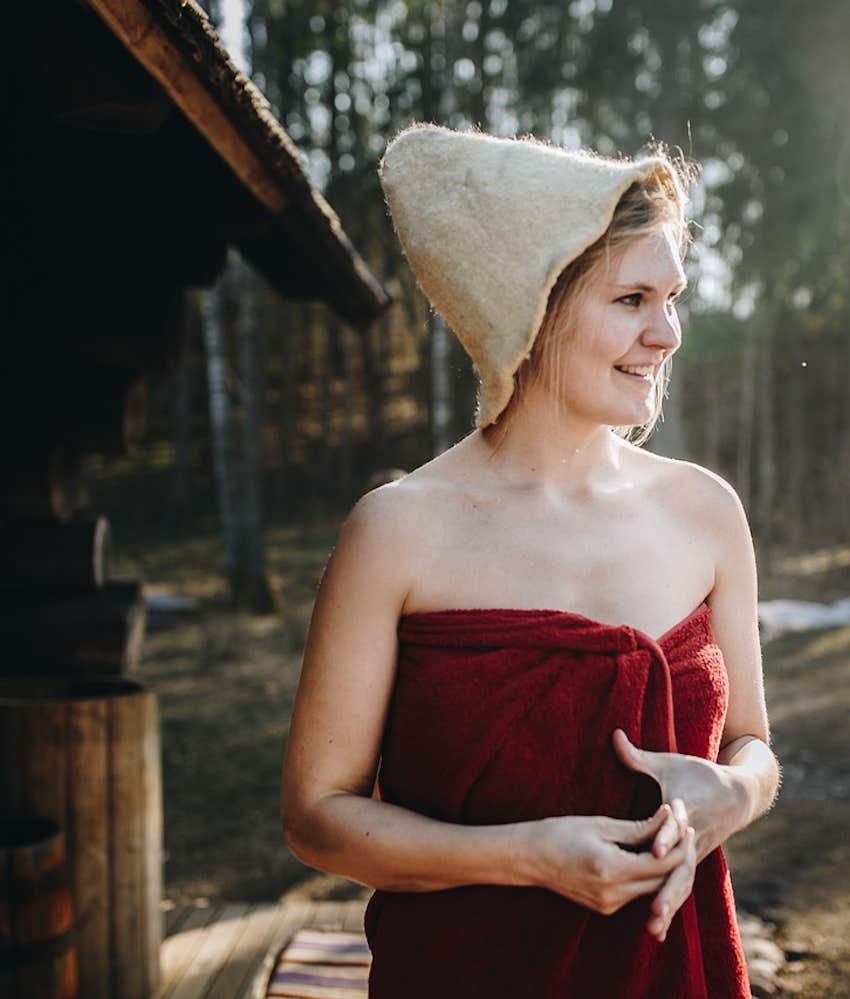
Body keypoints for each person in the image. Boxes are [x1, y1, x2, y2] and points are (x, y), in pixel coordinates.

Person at [280, 123, 781, 997]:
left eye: (673, 298)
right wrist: (523, 856)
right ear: (534, 306)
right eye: (630, 300)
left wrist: (732, 798)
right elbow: (317, 818)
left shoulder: (706, 512)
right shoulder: (395, 531)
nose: (665, 334)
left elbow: (753, 746)